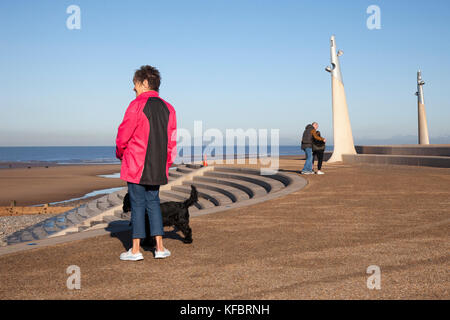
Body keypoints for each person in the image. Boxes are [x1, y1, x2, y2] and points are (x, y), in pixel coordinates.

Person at [116, 65, 177, 261]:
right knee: (153, 203)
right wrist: (166, 163)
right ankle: (160, 247)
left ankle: (135, 250)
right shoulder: (169, 108)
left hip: (137, 164)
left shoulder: (136, 105)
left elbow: (123, 136)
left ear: (143, 83)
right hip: (157, 165)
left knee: (137, 204)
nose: (133, 89)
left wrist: (121, 154)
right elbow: (171, 141)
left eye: (135, 84)